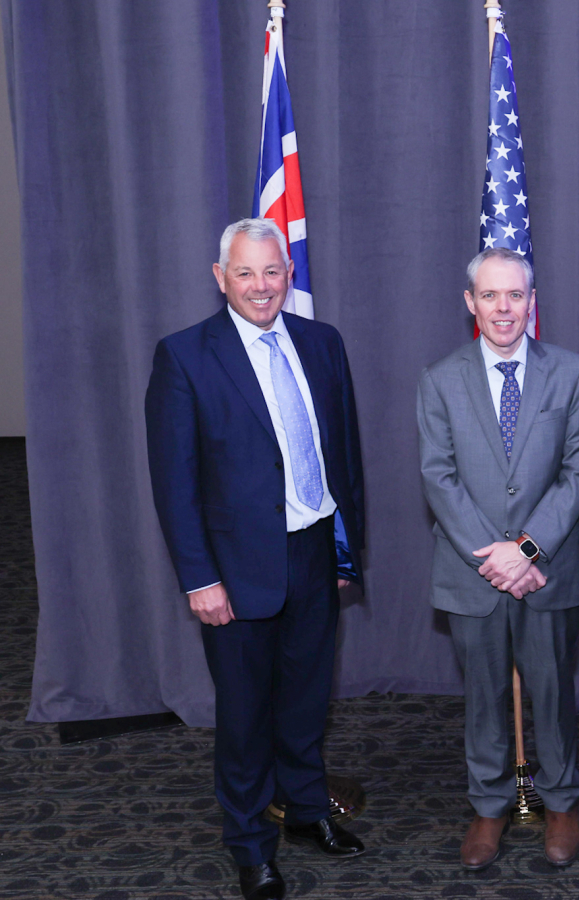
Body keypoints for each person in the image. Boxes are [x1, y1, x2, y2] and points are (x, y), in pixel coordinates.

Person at [145, 218, 367, 900]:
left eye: (271, 271)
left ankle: (305, 814)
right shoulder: (185, 356)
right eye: (245, 273)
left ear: (287, 274)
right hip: (234, 571)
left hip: (313, 553)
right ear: (221, 278)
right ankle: (249, 843)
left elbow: (345, 458)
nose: (260, 285)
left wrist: (344, 551)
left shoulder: (321, 342)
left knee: (305, 704)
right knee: (244, 717)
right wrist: (200, 578)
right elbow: (174, 482)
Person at [417, 247, 579, 870]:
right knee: (484, 698)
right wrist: (494, 560)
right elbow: (438, 477)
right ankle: (489, 806)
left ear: (532, 302)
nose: (504, 309)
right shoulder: (440, 378)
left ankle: (561, 803)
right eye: (490, 296)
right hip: (473, 574)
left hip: (548, 570)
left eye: (515, 295)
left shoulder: (570, 372)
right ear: (470, 303)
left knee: (552, 694)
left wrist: (524, 552)